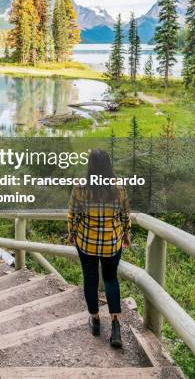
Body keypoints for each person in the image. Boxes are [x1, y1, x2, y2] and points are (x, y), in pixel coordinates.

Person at [67, 148, 131, 348]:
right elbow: (125, 215)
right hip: (111, 244)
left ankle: (95, 321)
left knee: (90, 278)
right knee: (111, 279)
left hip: (87, 243)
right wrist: (126, 234)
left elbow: (73, 215)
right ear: (108, 166)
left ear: (90, 166)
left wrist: (72, 233)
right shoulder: (119, 188)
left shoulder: (80, 187)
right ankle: (115, 325)